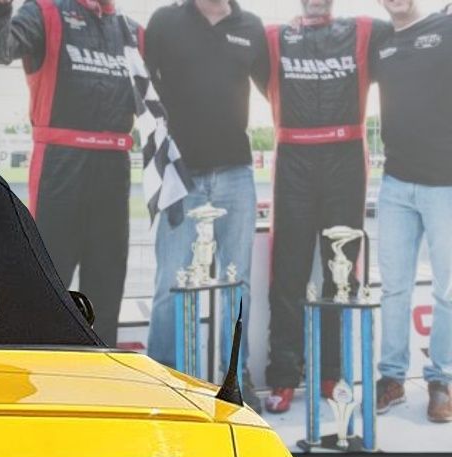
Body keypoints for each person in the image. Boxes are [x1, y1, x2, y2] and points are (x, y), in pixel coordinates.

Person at [0, 0, 139, 344]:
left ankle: (104, 379)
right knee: (48, 283)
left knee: (107, 289)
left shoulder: (131, 31)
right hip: (61, 165)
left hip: (115, 168)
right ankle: (40, 373)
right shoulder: (45, 12)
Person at [261, 0, 383, 413]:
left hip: (346, 162)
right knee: (288, 276)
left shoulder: (365, 30)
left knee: (341, 276)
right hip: (293, 160)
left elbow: (413, 34)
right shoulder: (273, 37)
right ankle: (283, 376)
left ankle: (333, 373)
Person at [142, 0, 268, 388]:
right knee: (171, 280)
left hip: (235, 171)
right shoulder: (165, 20)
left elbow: (278, 90)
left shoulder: (251, 26)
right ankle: (163, 376)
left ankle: (236, 374)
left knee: (237, 281)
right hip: (180, 173)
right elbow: (139, 87)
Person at [372, 0, 452, 422]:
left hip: (447, 185)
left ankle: (442, 380)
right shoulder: (379, 40)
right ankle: (392, 379)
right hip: (395, 184)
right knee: (394, 289)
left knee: (448, 290)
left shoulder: (446, 26)